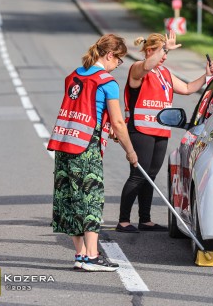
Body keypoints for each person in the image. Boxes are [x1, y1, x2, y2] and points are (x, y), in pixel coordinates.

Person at [48, 34, 138, 272]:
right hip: (85, 148)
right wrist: (130, 151)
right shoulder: (107, 82)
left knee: (68, 198)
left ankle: (80, 255)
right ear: (110, 55)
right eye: (119, 61)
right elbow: (119, 122)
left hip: (64, 143)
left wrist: (105, 126)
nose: (118, 66)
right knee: (90, 199)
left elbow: (83, 111)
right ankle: (93, 257)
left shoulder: (74, 76)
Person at [117, 31, 213, 233]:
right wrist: (164, 47)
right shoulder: (138, 68)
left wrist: (206, 76)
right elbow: (146, 66)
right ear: (150, 50)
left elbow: (188, 88)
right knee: (138, 174)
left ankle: (145, 219)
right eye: (162, 52)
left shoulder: (165, 73)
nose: (164, 56)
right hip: (140, 129)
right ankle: (123, 221)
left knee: (151, 175)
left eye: (166, 54)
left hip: (160, 130)